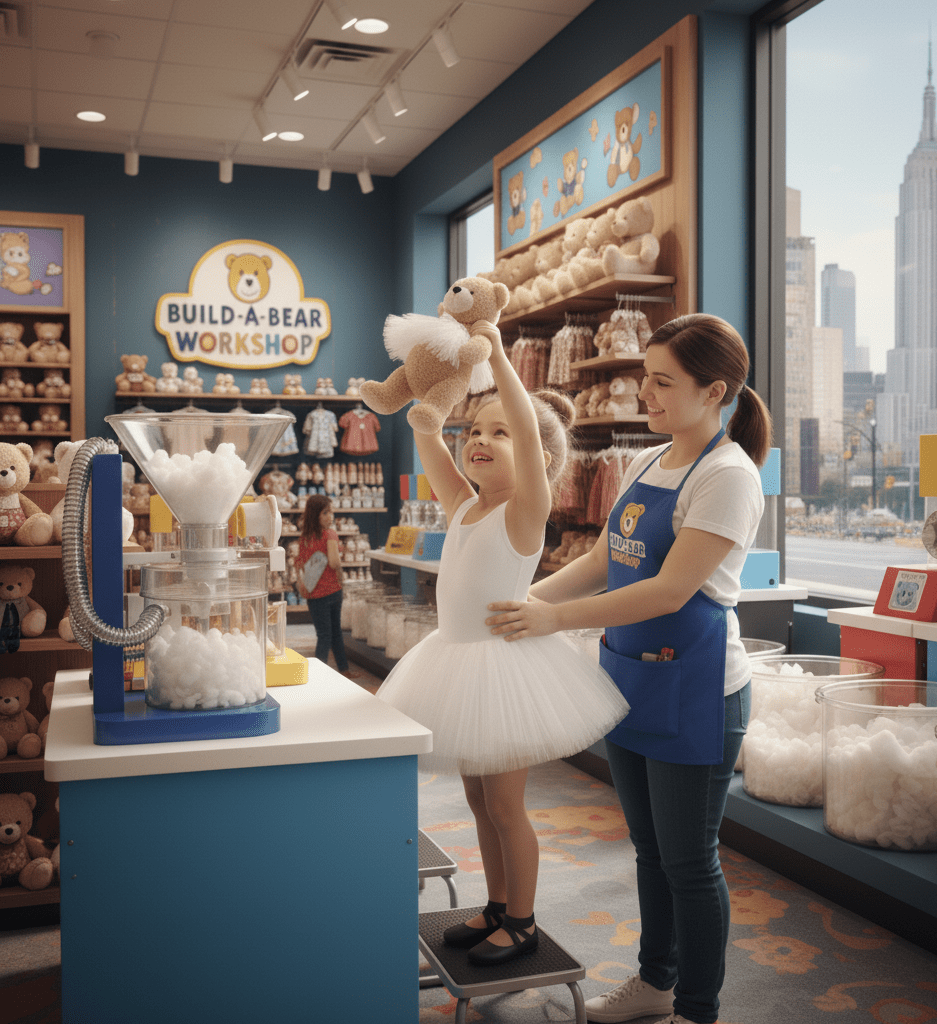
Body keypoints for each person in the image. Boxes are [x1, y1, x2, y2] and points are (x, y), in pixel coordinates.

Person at [485, 313, 771, 1024]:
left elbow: (671, 589)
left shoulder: (728, 475)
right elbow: (605, 560)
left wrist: (551, 621)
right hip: (631, 678)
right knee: (648, 851)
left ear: (715, 391)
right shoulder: (647, 461)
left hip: (697, 689)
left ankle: (696, 1009)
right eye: (645, 377)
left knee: (690, 862)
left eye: (663, 382)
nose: (646, 392)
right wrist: (527, 599)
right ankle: (655, 981)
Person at [374, 318, 628, 966]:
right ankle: (494, 904)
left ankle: (523, 920)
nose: (480, 440)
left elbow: (522, 412)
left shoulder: (524, 511)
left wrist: (497, 361)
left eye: (500, 432)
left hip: (504, 671)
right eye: (476, 431)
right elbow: (427, 433)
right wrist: (431, 403)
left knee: (508, 805)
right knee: (477, 798)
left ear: (540, 462)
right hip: (454, 663)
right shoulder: (463, 503)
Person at [295, 493, 360, 678]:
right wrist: (340, 576)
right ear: (316, 515)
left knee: (324, 635)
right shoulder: (330, 534)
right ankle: (334, 672)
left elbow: (299, 563)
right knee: (333, 634)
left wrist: (302, 584)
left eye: (331, 512)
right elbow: (334, 562)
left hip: (314, 595)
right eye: (325, 512)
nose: (330, 516)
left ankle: (336, 671)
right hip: (332, 590)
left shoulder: (305, 538)